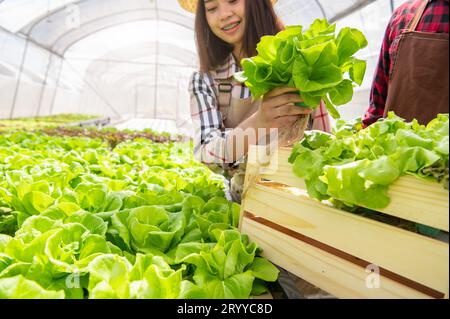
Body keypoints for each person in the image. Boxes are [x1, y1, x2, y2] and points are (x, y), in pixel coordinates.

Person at [184, 0, 331, 203]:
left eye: (233, 0)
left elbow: (324, 139)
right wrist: (259, 122)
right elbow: (206, 154)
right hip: (245, 201)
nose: (224, 14)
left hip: (304, 198)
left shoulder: (300, 62)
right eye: (211, 8)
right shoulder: (205, 80)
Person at [363, 0, 449, 127]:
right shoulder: (403, 14)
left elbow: (378, 104)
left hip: (399, 143)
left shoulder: (403, 15)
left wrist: (364, 137)